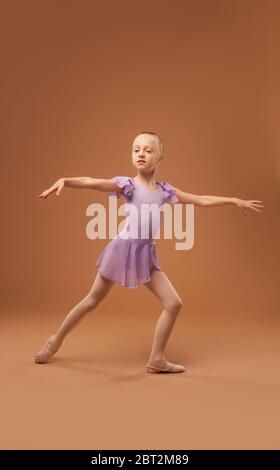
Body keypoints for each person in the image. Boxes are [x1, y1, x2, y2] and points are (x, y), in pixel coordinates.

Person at [34, 131, 264, 373]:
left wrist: (233, 200)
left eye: (147, 150)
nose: (141, 153)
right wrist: (65, 180)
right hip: (122, 250)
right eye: (136, 149)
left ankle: (156, 359)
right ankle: (54, 341)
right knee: (91, 301)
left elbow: (200, 199)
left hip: (146, 254)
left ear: (160, 158)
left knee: (173, 303)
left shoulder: (165, 191)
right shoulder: (127, 185)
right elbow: (92, 181)